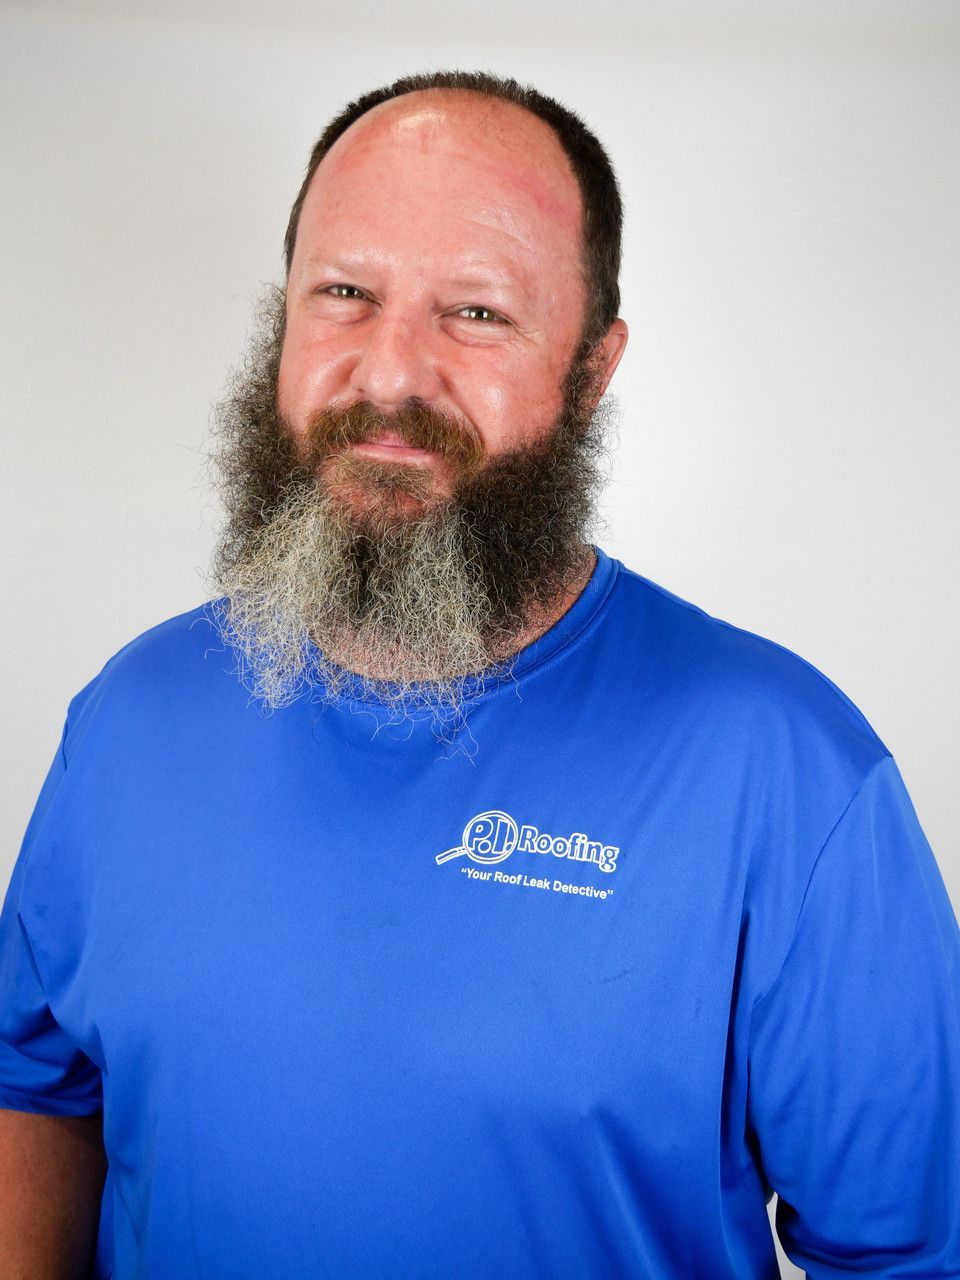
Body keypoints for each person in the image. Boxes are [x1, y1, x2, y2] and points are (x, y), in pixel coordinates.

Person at [1, 69, 958, 1280]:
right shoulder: (129, 718)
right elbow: (35, 1087)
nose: (389, 375)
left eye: (476, 311)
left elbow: (909, 1255)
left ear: (593, 369)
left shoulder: (791, 774)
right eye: (345, 293)